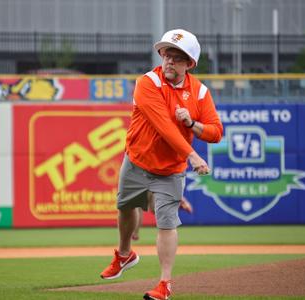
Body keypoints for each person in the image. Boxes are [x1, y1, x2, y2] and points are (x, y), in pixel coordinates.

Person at [100, 28, 223, 300]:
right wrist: (193, 154)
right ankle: (124, 254)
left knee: (166, 224)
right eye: (166, 54)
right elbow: (164, 127)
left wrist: (192, 123)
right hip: (137, 161)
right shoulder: (147, 83)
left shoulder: (200, 92)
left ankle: (164, 284)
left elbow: (216, 132)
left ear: (190, 63)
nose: (169, 61)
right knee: (125, 206)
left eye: (177, 57)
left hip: (170, 171)